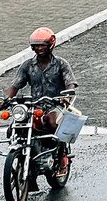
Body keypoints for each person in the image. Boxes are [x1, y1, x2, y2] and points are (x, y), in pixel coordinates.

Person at [6, 27, 77, 190]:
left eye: (42, 45)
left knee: (52, 124)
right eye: (36, 45)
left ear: (50, 45)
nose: (39, 48)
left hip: (55, 105)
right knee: (13, 130)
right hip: (34, 107)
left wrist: (66, 96)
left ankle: (61, 158)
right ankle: (24, 159)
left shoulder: (61, 64)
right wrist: (6, 100)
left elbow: (70, 83)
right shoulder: (27, 65)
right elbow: (15, 84)